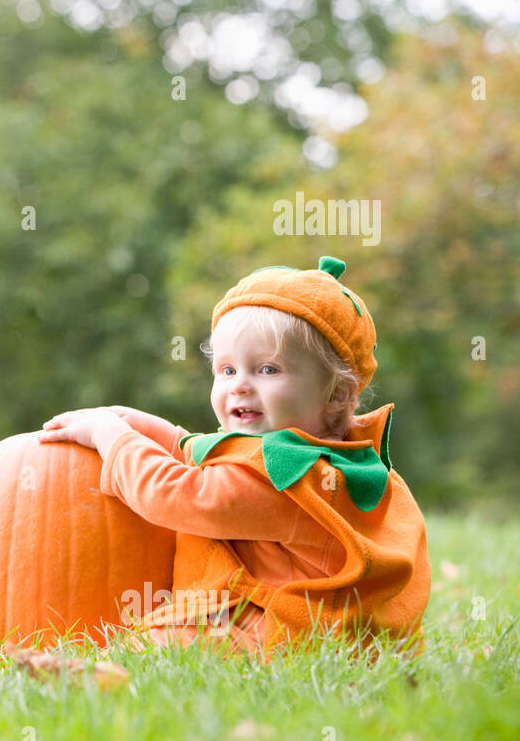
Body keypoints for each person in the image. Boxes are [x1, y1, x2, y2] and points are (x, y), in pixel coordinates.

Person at [38, 256, 430, 661]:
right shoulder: (325, 456)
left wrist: (114, 439)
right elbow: (213, 452)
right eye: (226, 370)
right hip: (321, 628)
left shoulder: (288, 479)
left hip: (296, 639)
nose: (240, 386)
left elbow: (179, 495)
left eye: (267, 369)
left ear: (336, 394)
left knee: (162, 645)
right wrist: (141, 426)